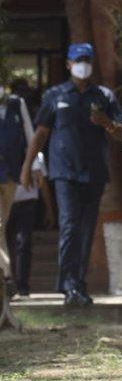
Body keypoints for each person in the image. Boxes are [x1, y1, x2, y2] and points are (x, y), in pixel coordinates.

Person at [21, 43, 122, 306]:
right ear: (68, 64)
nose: (83, 64)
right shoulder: (55, 95)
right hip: (64, 173)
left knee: (87, 229)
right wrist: (27, 166)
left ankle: (79, 284)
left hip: (95, 174)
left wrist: (106, 123)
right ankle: (68, 286)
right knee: (69, 226)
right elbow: (41, 133)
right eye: (78, 59)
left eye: (87, 59)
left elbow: (121, 134)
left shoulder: (103, 95)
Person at [0, 82, 34, 297]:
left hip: (10, 175)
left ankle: (5, 278)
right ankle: (6, 275)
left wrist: (33, 166)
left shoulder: (16, 104)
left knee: (2, 225)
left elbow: (30, 135)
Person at [8, 153, 53, 298]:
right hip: (6, 204)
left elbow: (43, 183)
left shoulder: (36, 156)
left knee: (23, 244)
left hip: (27, 204)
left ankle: (22, 286)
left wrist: (49, 209)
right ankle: (8, 284)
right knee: (7, 246)